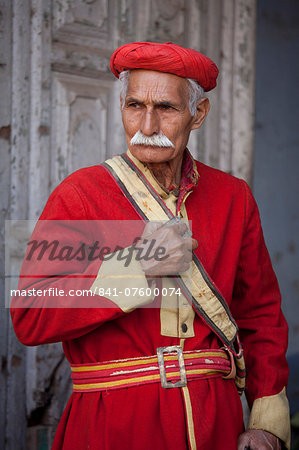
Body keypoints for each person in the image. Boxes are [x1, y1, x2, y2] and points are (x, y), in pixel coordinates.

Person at [11, 42, 290, 450]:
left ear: (198, 114)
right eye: (134, 105)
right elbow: (30, 314)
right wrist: (136, 267)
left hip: (218, 424)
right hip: (114, 424)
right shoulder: (79, 194)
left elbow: (260, 314)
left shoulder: (234, 197)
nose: (147, 124)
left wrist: (266, 419)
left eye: (166, 108)